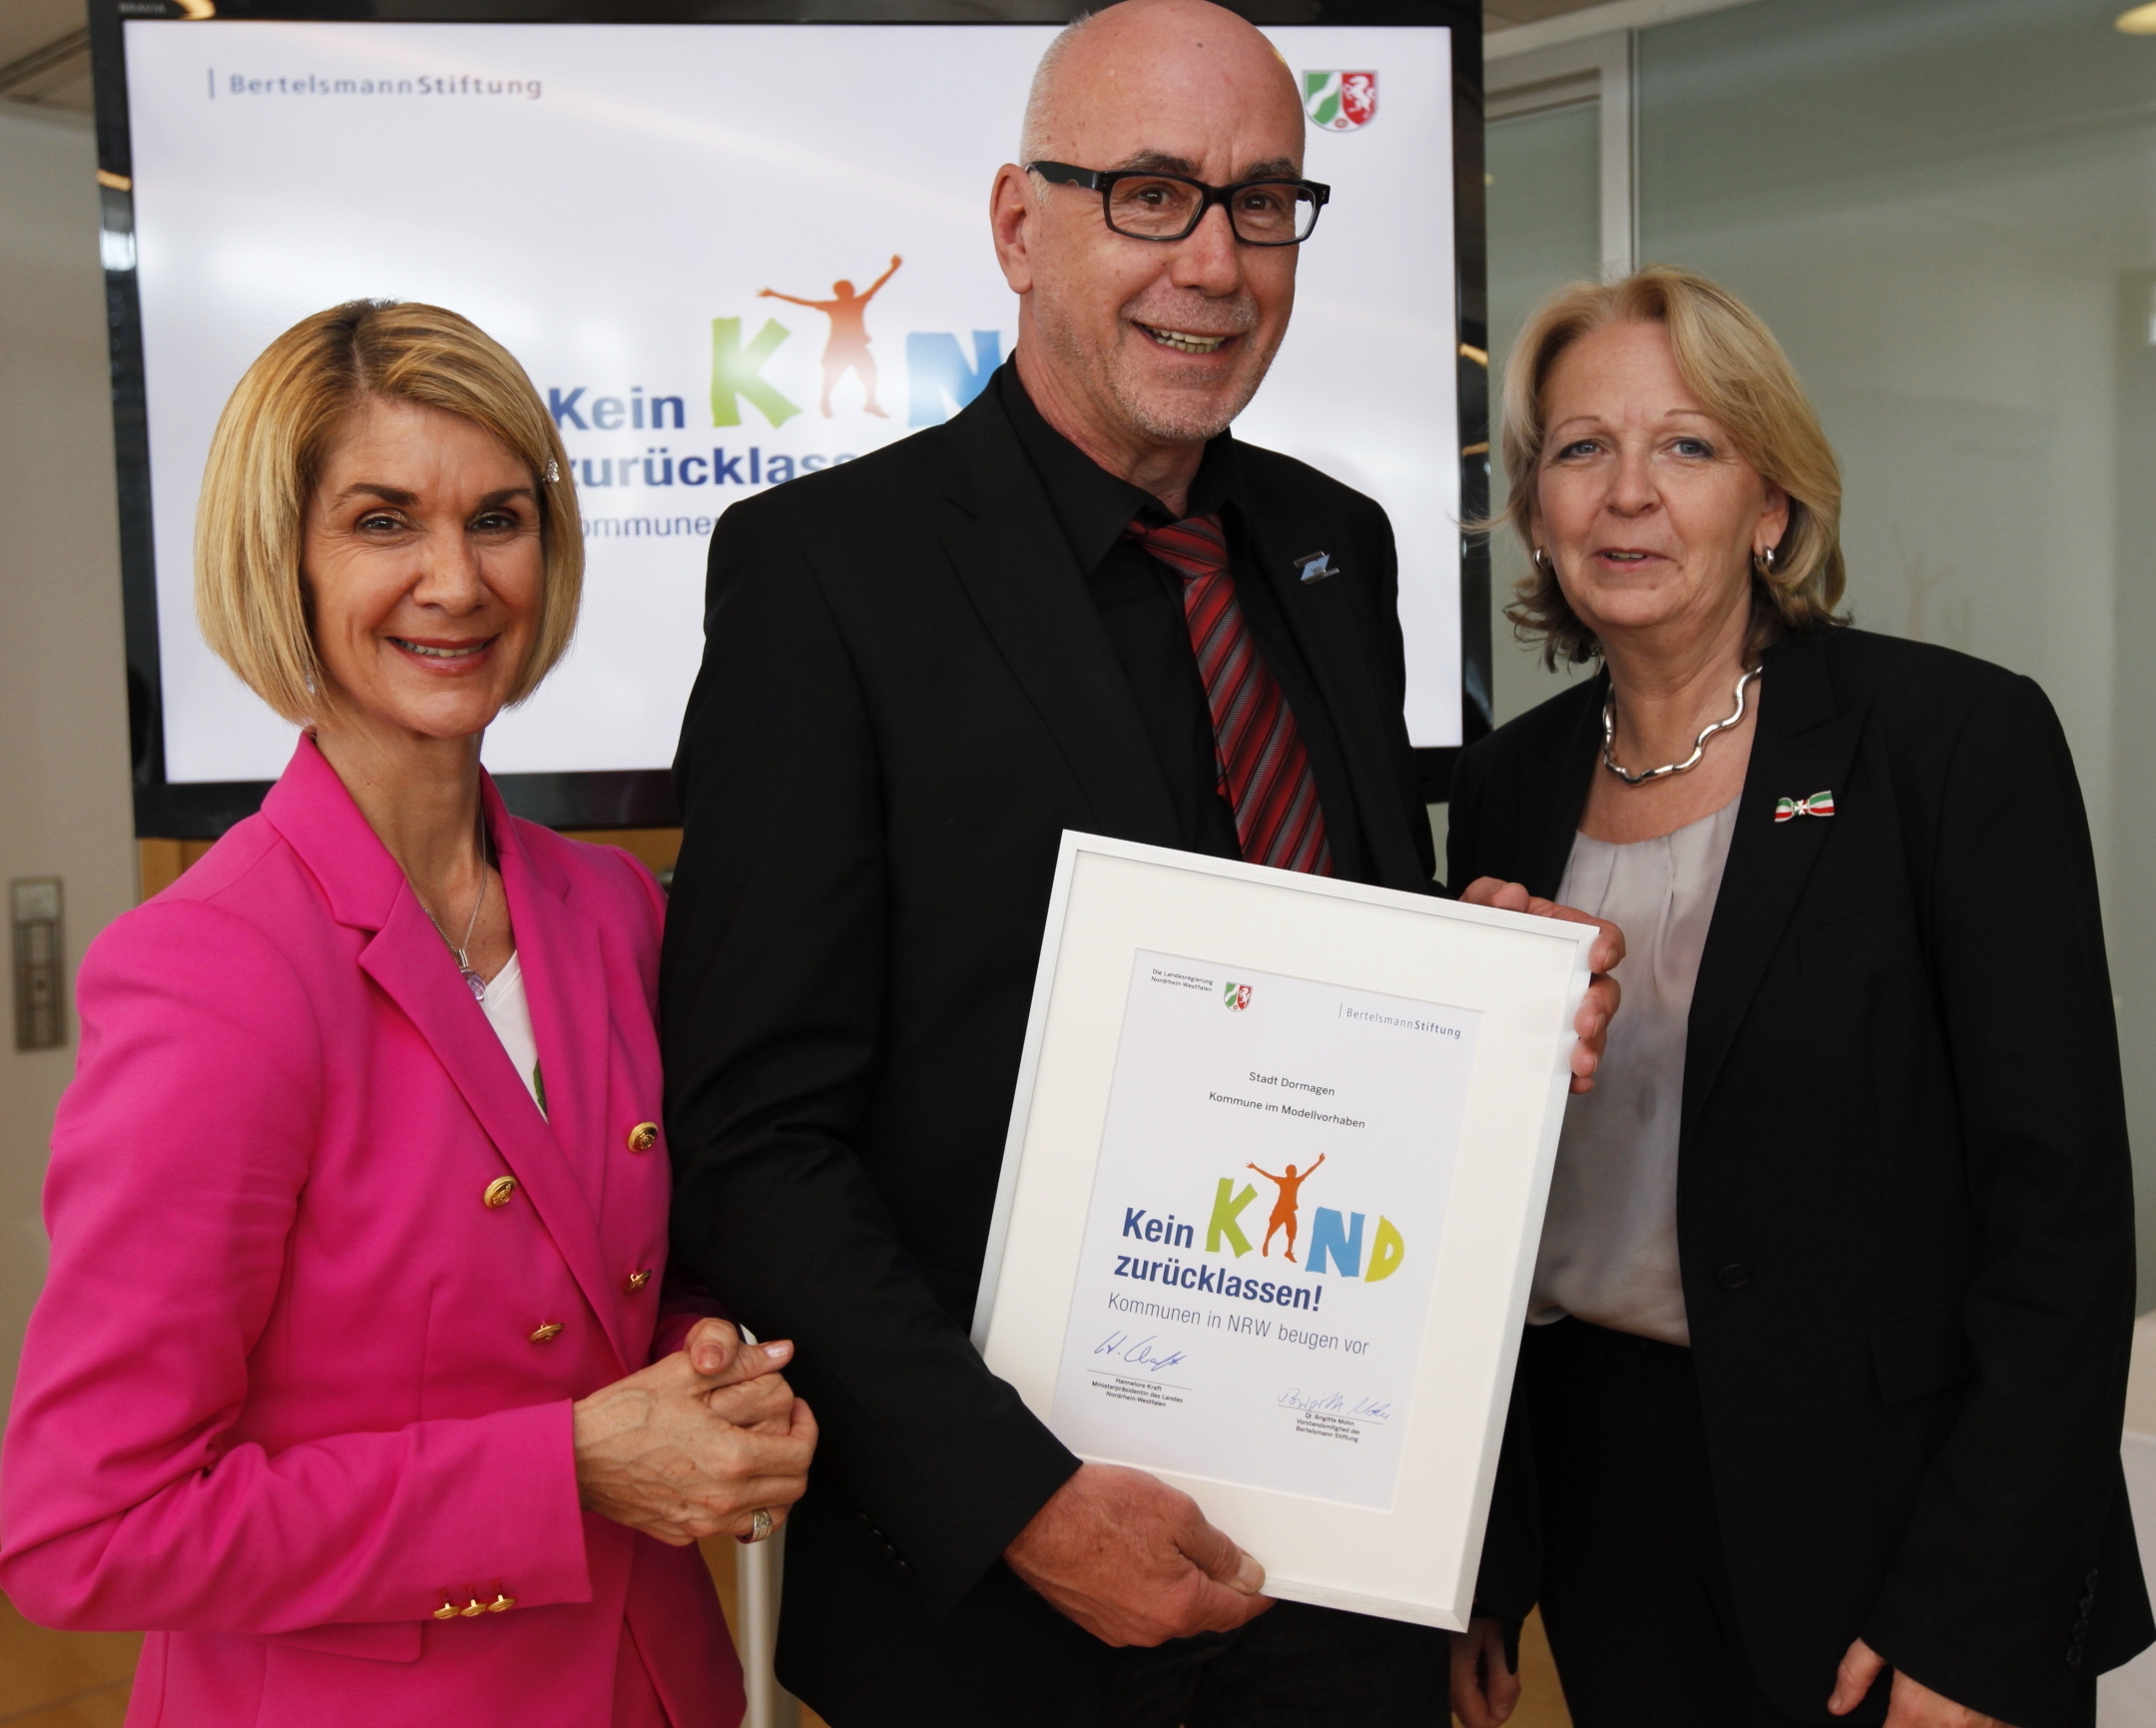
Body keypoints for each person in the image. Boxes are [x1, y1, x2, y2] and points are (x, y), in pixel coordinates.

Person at [660, 4, 1619, 1724]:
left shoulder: (1335, 545)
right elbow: (755, 1142)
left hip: (1343, 1586)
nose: (1217, 262)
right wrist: (1018, 1504)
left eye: (1263, 202)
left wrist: (1473, 989)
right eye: (1152, 193)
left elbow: (1323, 964)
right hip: (1008, 1621)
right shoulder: (827, 575)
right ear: (1019, 224)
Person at [0, 300, 816, 1727]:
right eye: (384, 522)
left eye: (498, 519)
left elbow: (611, 1290)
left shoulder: (611, 910)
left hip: (652, 1684)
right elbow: (88, 1528)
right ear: (283, 560)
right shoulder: (209, 969)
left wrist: (708, 1369)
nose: (457, 580)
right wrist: (565, 1469)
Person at [1445, 267, 2153, 1728]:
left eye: (1687, 445)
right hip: (1603, 1502)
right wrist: (1478, 1554)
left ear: (1771, 502)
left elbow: (2062, 1220)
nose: (1628, 493)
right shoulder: (1507, 786)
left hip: (1889, 1514)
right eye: (1581, 448)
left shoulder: (1950, 741)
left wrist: (1978, 1613)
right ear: (1535, 508)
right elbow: (1490, 1210)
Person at [759, 255, 903, 418]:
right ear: (843, 291)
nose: (851, 290)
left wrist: (893, 268)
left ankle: (869, 403)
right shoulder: (844, 304)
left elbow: (877, 285)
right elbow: (802, 302)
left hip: (854, 347)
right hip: (840, 347)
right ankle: (825, 399)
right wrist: (774, 294)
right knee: (833, 375)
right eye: (848, 288)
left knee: (867, 374)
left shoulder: (852, 303)